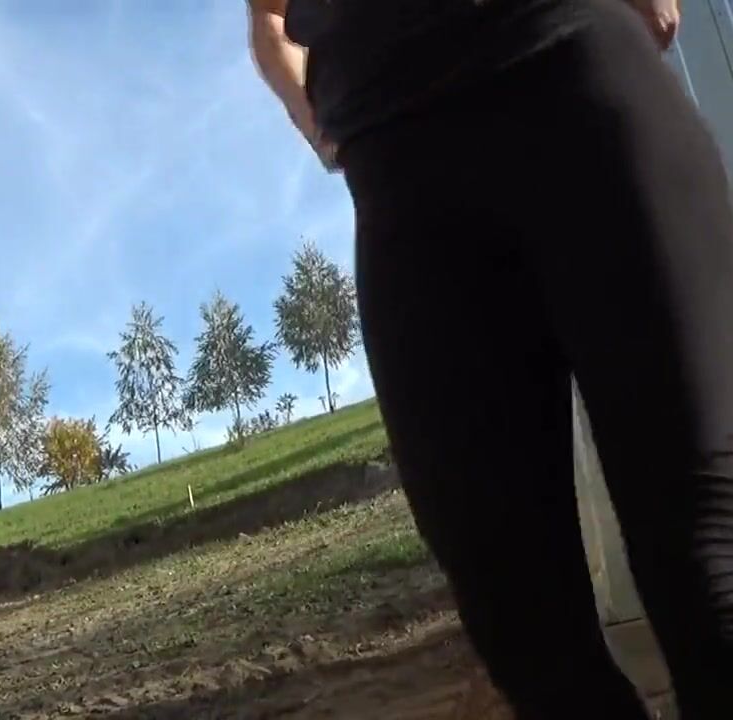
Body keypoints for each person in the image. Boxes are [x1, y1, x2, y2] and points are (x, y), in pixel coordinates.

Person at [247, 1, 733, 718]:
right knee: (522, 626)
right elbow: (267, 20)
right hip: (398, 170)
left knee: (710, 565)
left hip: (574, 64)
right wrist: (323, 124)